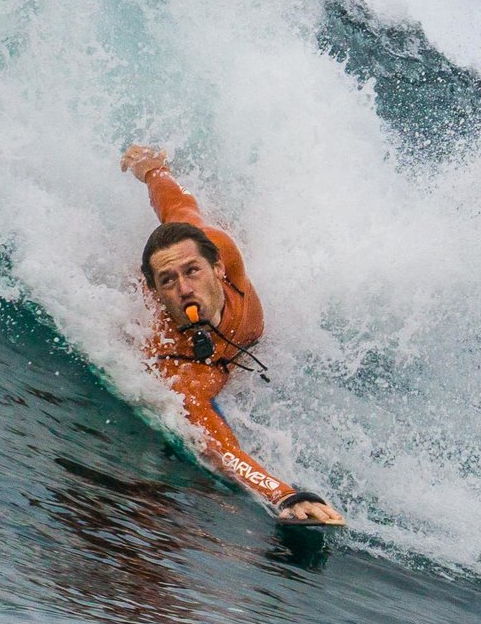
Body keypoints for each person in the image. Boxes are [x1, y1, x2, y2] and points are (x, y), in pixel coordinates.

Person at [120, 144, 344, 527]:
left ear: (219, 268)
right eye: (168, 281)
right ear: (157, 292)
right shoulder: (179, 365)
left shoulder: (221, 247)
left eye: (193, 271)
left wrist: (154, 171)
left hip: (242, 338)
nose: (184, 288)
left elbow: (177, 207)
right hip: (207, 366)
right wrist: (285, 494)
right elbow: (224, 450)